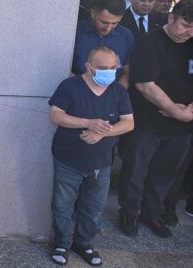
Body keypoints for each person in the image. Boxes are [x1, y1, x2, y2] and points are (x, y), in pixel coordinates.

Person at [47, 46, 134, 266]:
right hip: (69, 159)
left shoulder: (118, 91)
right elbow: (56, 116)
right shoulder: (70, 87)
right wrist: (89, 123)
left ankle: (83, 243)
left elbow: (129, 123)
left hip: (102, 161)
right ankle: (61, 243)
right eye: (103, 68)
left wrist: (102, 134)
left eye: (114, 67)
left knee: (94, 206)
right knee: (62, 204)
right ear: (88, 66)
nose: (109, 72)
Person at [117, 0, 193, 238]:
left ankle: (152, 213)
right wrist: (174, 110)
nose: (189, 32)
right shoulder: (149, 42)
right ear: (172, 17)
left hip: (182, 127)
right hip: (147, 123)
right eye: (186, 24)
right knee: (135, 171)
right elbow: (144, 84)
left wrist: (188, 112)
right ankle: (129, 212)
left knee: (165, 173)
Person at [72, 0, 133, 88]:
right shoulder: (75, 32)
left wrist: (117, 94)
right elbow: (64, 67)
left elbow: (127, 72)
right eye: (104, 22)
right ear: (92, 13)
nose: (108, 28)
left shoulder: (125, 36)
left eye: (114, 23)